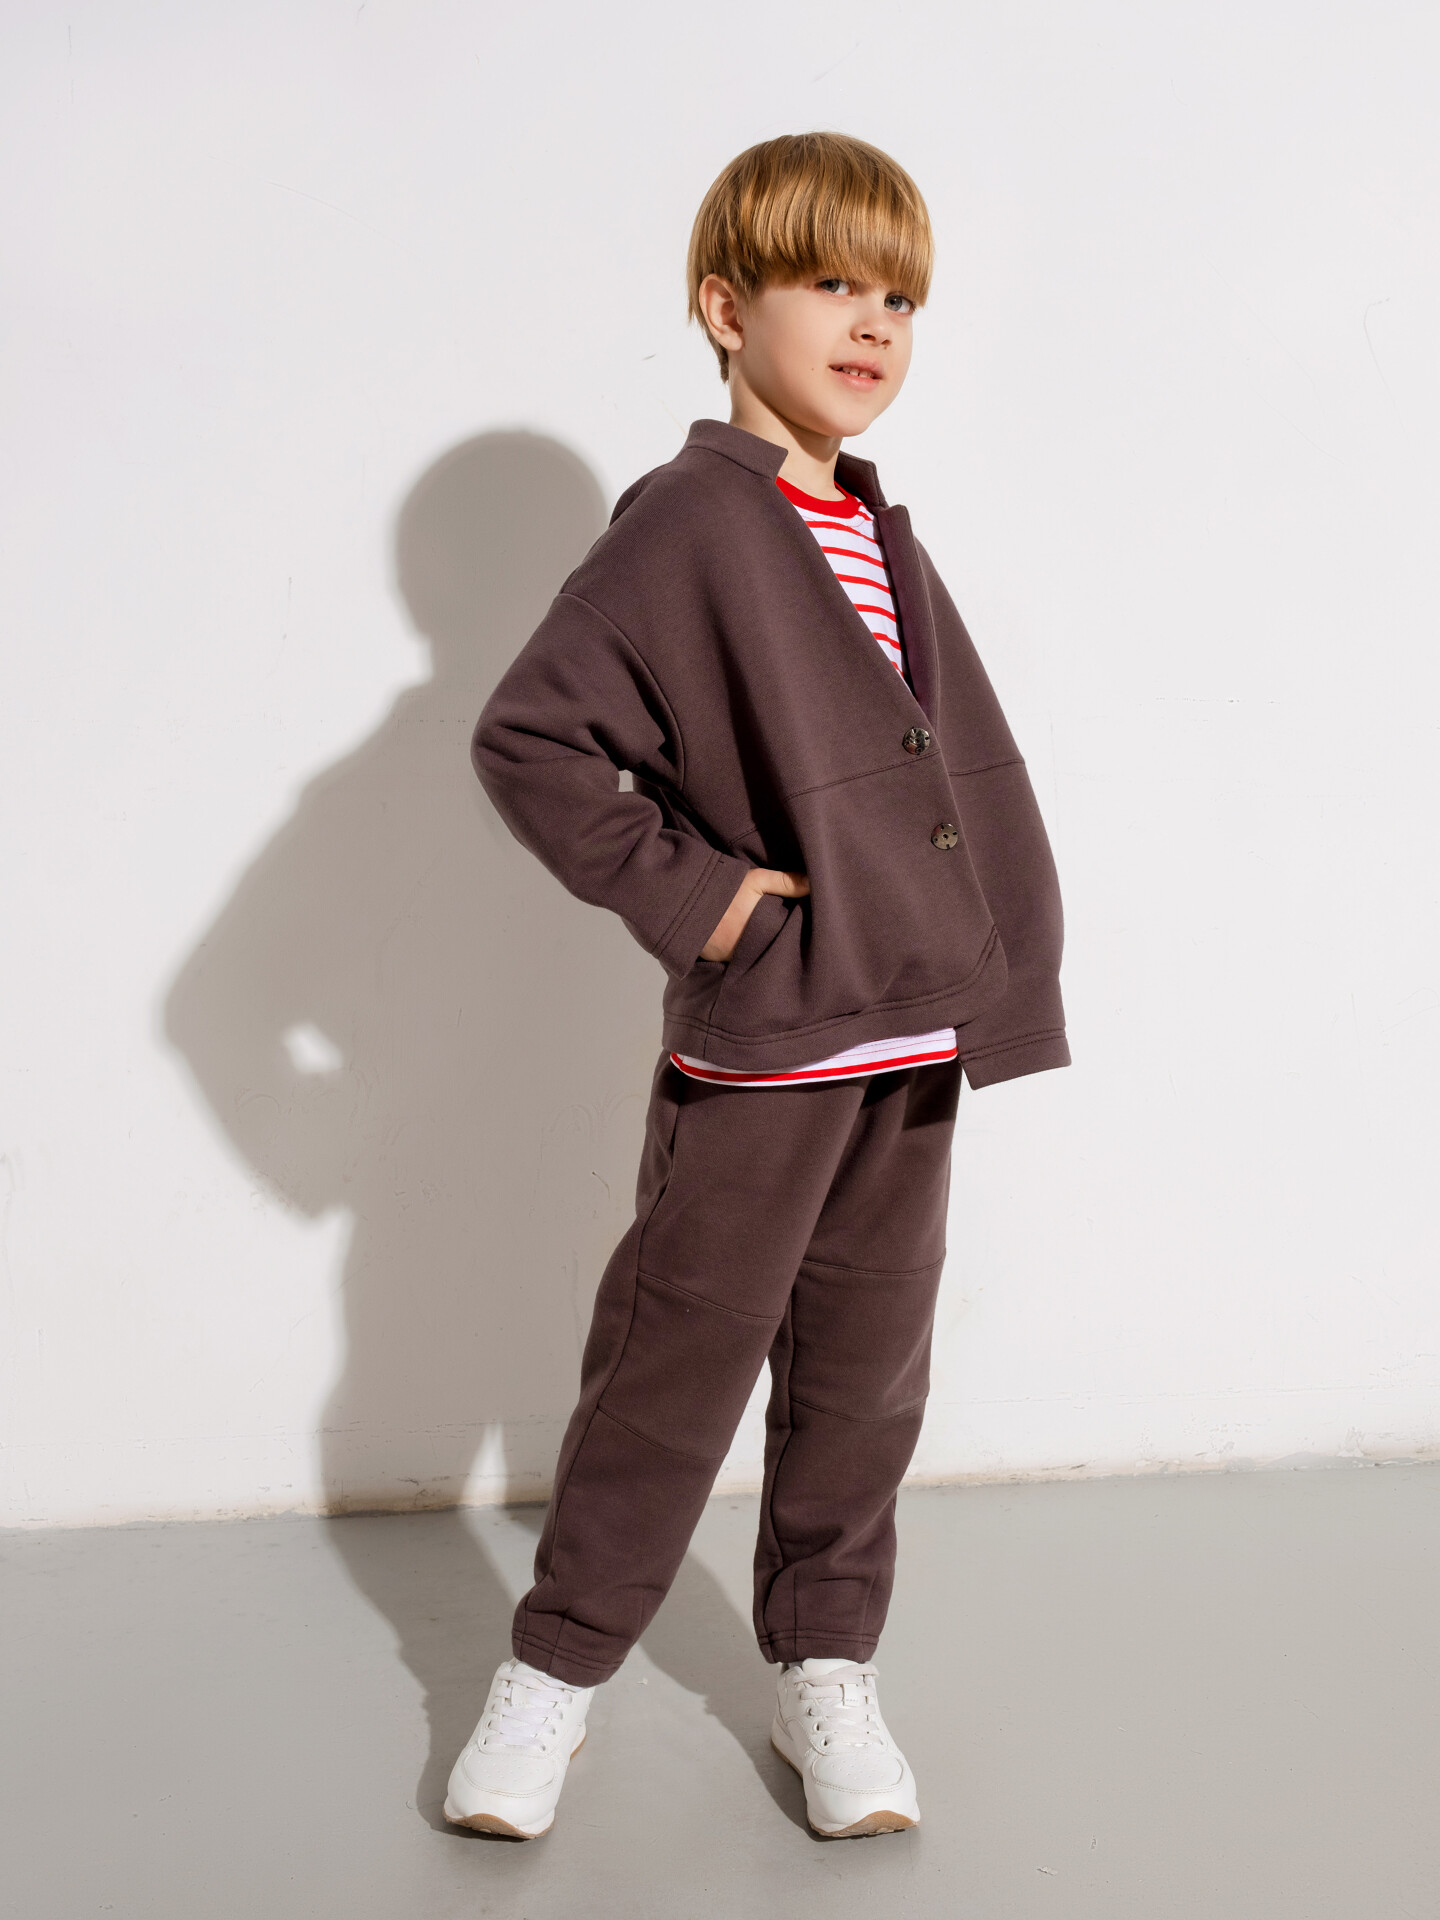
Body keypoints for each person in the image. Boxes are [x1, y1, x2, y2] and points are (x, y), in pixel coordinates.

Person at [445, 131, 1069, 1841]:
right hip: (772, 1047)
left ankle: (826, 1665)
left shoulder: (872, 526)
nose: (872, 324)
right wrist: (710, 905)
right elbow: (530, 739)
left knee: (866, 1374)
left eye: (900, 299)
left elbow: (945, 772)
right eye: (831, 285)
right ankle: (556, 1670)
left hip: (908, 1037)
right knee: (673, 1369)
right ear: (726, 310)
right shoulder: (691, 523)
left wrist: (995, 969)